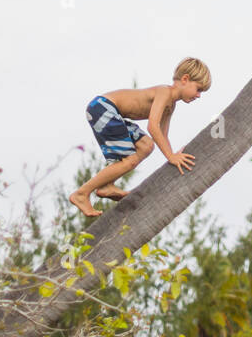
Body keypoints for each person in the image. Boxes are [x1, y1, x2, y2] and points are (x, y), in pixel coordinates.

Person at [69, 57, 211, 218]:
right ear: (185, 79)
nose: (199, 95)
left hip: (111, 112)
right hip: (103, 107)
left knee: (146, 145)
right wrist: (171, 157)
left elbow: (163, 135)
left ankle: (106, 186)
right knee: (130, 159)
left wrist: (173, 154)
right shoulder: (165, 92)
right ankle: (81, 194)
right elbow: (153, 126)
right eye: (198, 89)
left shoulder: (171, 106)